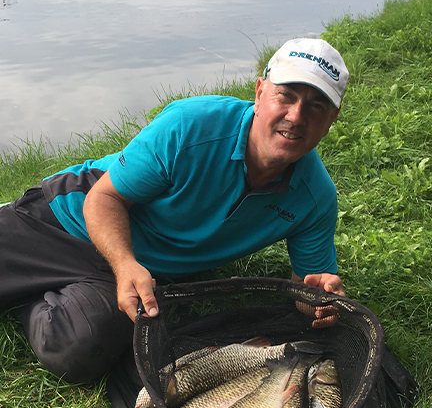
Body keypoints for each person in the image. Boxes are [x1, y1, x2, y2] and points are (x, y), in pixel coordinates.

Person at [0, 37, 349, 384]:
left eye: (316, 106)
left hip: (141, 271)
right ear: (259, 93)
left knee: (78, 349)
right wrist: (124, 265)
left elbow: (307, 288)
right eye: (285, 96)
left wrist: (319, 303)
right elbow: (104, 198)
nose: (296, 116)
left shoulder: (315, 199)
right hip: (68, 218)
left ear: (331, 119)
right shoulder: (191, 126)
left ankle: (30, 293)